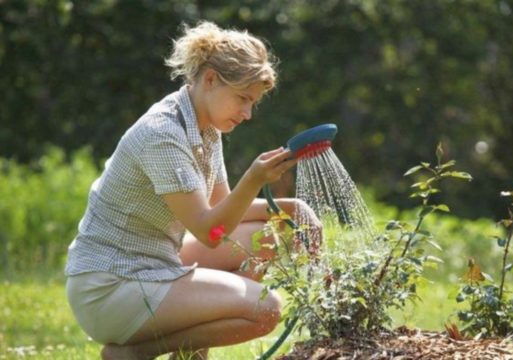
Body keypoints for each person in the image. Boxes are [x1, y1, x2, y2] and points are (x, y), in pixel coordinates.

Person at [64, 21, 322, 360]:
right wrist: (254, 179)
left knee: (269, 233)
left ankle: (190, 356)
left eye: (253, 103)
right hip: (111, 287)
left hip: (156, 263)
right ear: (211, 79)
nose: (247, 114)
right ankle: (136, 352)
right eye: (243, 99)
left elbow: (223, 209)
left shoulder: (205, 128)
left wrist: (293, 208)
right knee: (266, 309)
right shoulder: (164, 134)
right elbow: (210, 231)